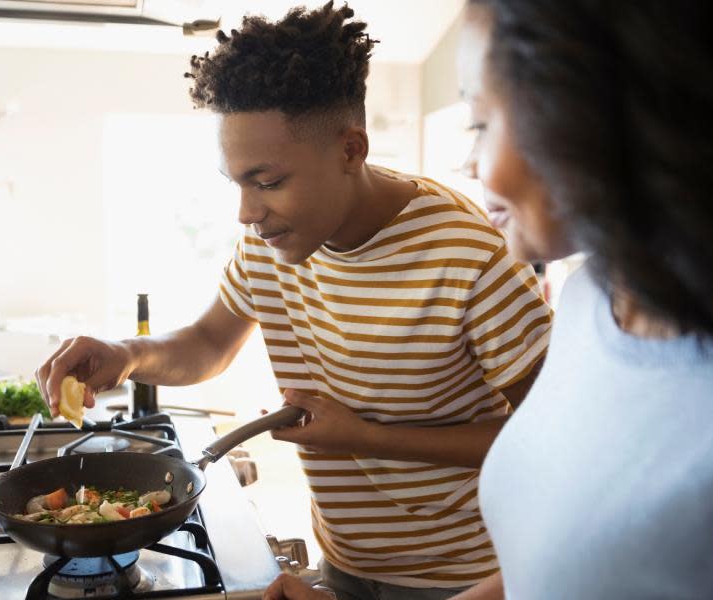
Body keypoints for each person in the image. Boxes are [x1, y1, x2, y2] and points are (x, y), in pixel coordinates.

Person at [37, 3, 551, 596]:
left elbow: (553, 439)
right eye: (238, 183)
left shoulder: (467, 253)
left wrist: (365, 436)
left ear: (351, 150)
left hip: (470, 575)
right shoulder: (270, 242)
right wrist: (127, 354)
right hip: (345, 563)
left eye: (269, 182)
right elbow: (207, 344)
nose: (247, 212)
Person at [268, 0, 713, 598]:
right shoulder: (595, 301)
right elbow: (551, 568)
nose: (469, 161)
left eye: (480, 122)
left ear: (588, 117)